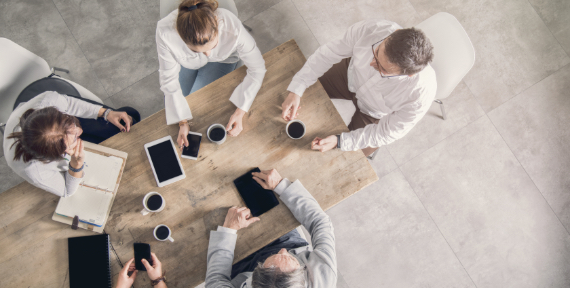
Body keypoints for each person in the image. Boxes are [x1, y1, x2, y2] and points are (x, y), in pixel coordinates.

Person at [281, 20, 436, 157]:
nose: (371, 64)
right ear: (393, 34)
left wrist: (341, 141)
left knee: (344, 160)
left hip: (373, 113)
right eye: (376, 53)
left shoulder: (420, 93)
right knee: (289, 88)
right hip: (348, 75)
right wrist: (297, 88)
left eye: (384, 70)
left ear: (410, 74)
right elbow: (328, 54)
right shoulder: (372, 29)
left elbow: (388, 132)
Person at [156, 0, 266, 150]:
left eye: (213, 46)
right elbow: (168, 79)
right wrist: (182, 122)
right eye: (196, 50)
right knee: (185, 106)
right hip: (187, 63)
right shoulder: (165, 33)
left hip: (223, 60)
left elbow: (257, 68)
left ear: (217, 24)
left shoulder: (230, 25)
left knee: (198, 108)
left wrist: (241, 110)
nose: (208, 55)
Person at [206, 169, 337, 288]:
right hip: (288, 241)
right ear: (303, 275)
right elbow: (320, 223)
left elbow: (215, 280)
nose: (283, 251)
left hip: (243, 266)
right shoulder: (324, 277)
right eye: (290, 258)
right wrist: (282, 186)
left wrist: (228, 230)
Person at [3, 91, 140, 197]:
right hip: (64, 155)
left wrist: (106, 113)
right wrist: (76, 165)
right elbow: (67, 190)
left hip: (61, 131)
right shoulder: (35, 171)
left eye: (71, 123)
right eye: (74, 138)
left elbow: (68, 104)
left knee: (130, 118)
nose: (80, 130)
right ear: (58, 155)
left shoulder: (48, 101)